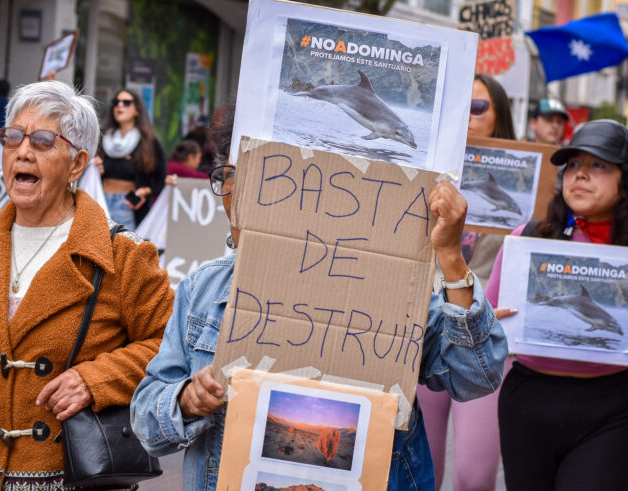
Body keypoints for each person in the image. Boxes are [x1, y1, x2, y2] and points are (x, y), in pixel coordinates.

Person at [131, 104, 508, 491]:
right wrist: (185, 400)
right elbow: (147, 423)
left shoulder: (398, 292)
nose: (234, 191)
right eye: (227, 176)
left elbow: (476, 374)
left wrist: (450, 258)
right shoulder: (204, 291)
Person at [0, 81, 174, 491]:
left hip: (70, 478)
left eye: (44, 141)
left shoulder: (122, 255)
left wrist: (96, 380)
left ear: (77, 163)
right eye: (13, 137)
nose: (23, 151)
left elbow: (168, 345)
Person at [487, 119, 628, 490]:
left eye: (599, 165)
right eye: (574, 165)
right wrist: (490, 322)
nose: (581, 174)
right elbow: (484, 316)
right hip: (527, 403)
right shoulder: (527, 236)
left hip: (612, 408)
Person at [416, 73, 516, 491]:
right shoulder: (422, 172)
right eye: (461, 108)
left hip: (487, 328)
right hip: (427, 327)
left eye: (479, 107)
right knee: (423, 469)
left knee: (474, 478)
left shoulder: (522, 178)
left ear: (500, 116)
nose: (469, 117)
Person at [95, 89, 166, 230]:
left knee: (124, 249)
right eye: (116, 102)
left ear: (137, 110)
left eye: (126, 103)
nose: (120, 105)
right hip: (100, 201)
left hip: (126, 205)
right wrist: (95, 168)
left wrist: (145, 191)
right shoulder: (102, 139)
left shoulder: (148, 142)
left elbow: (160, 181)